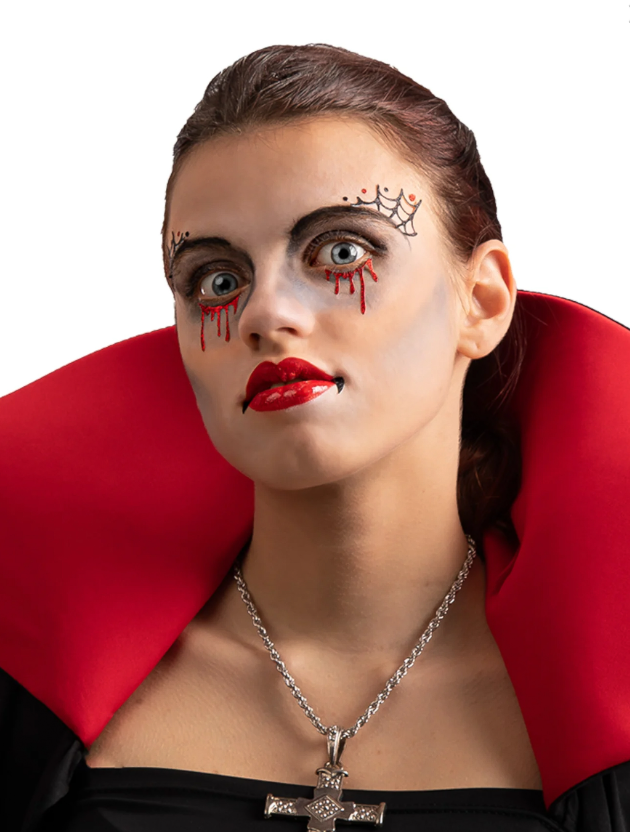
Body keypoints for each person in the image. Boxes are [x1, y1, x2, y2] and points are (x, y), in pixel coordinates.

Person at [1, 43, 629, 832]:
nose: (265, 313)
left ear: (482, 301)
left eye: (340, 251)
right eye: (217, 280)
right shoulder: (27, 694)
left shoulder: (607, 712)